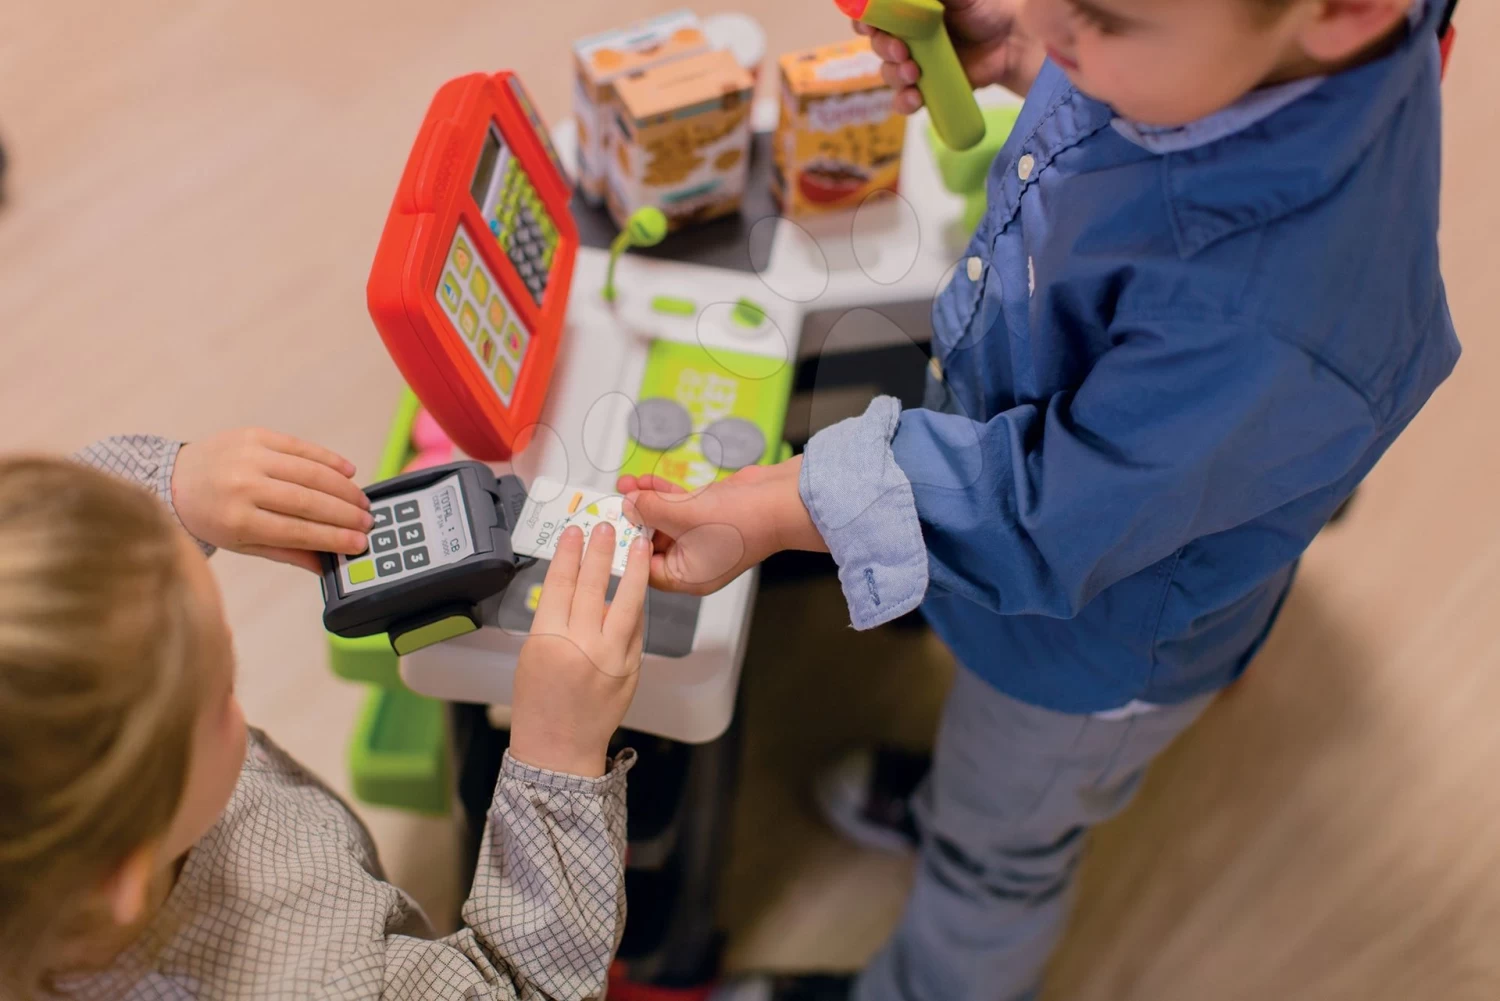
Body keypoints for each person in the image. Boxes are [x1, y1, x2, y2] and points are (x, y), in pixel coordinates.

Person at [625, 1, 1462, 998]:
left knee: (1003, 850)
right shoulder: (1240, 59)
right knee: (991, 756)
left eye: (1101, 19)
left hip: (1094, 646)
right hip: (1053, 556)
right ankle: (960, 799)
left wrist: (787, 499)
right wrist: (1037, 47)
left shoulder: (1269, 317)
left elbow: (1050, 507)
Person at [0, 429, 650, 1000]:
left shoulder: (68, 816)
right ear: (123, 874)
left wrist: (169, 489)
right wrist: (557, 758)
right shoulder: (319, 982)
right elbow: (522, 989)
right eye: (225, 687)